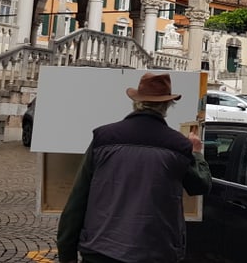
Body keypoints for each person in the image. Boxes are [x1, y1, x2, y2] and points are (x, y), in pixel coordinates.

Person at [57, 73, 212, 263]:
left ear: (136, 102)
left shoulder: (103, 138)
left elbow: (77, 200)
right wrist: (196, 152)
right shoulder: (178, 145)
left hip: (101, 250)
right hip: (155, 252)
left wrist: (67, 255)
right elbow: (201, 185)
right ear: (166, 106)